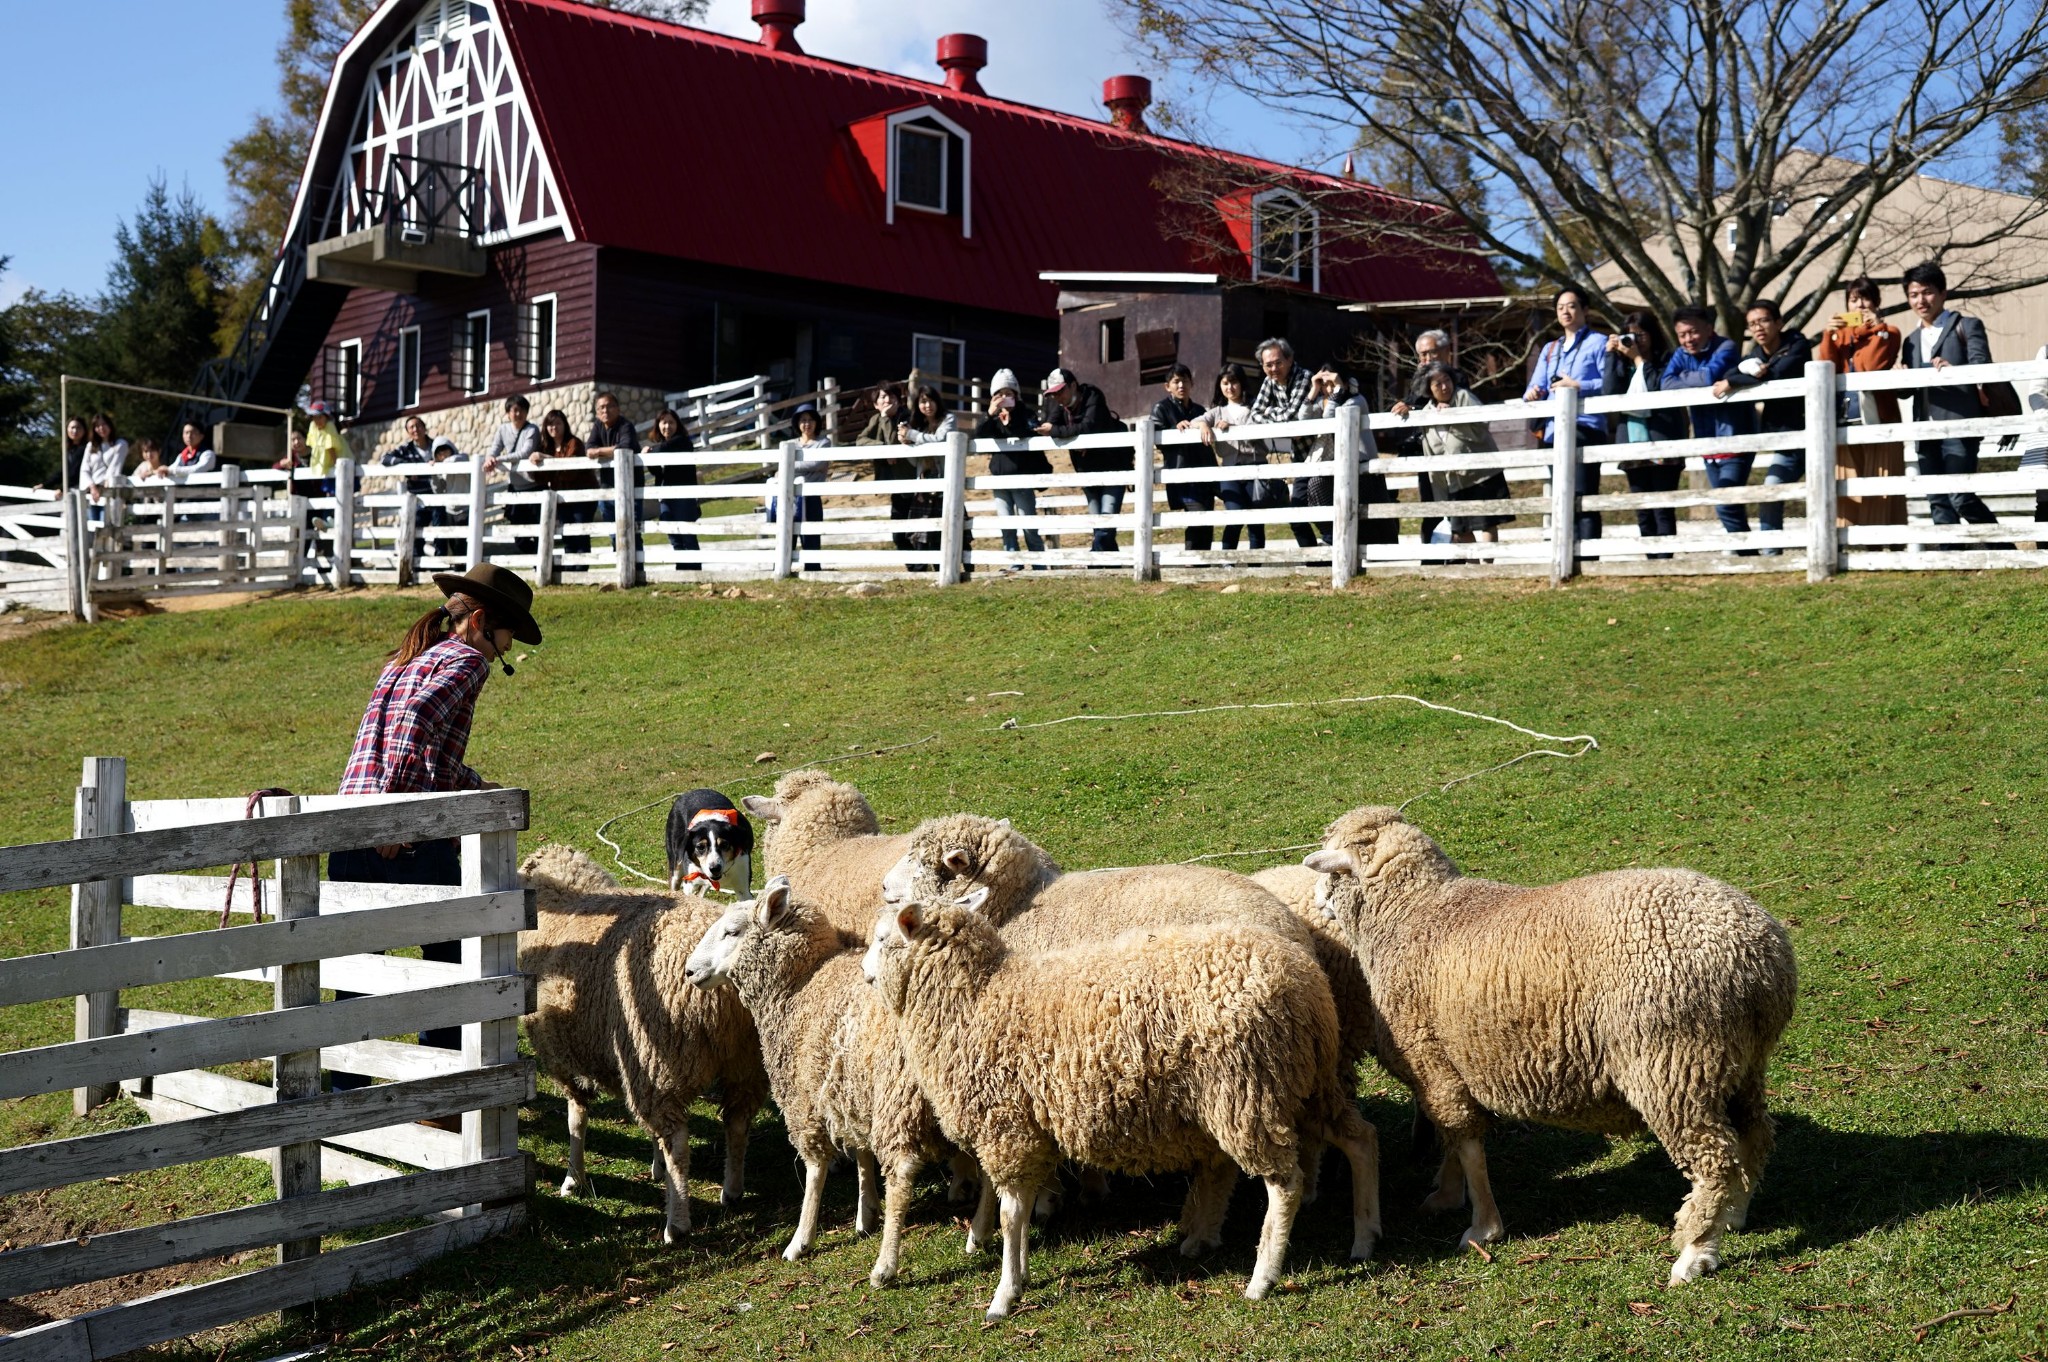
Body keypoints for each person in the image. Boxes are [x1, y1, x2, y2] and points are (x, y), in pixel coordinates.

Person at [330, 563, 541, 1082]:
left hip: (348, 830)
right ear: (483, 620)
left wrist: (476, 785)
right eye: (509, 633)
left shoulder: (408, 660)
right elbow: (417, 724)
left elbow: (422, 752)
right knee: (457, 955)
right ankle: (441, 1090)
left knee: (358, 970)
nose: (508, 647)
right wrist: (395, 820)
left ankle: (345, 1089)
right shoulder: (467, 660)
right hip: (402, 838)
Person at [1900, 260, 2002, 540]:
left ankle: (2002, 548)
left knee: (1960, 496)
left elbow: (1983, 367)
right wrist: (1900, 376)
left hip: (1960, 425)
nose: (1921, 300)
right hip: (1924, 429)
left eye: (1928, 292)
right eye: (1914, 294)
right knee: (1938, 500)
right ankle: (1950, 559)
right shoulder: (1909, 340)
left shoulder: (1967, 326)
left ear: (1943, 293)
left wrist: (1953, 372)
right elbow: (1905, 392)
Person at [1714, 299, 1814, 553]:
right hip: (1783, 436)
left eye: (1763, 321)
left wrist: (1736, 380)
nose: (1758, 328)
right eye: (1752, 324)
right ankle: (1771, 551)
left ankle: (1774, 548)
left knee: (1779, 487)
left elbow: (1777, 373)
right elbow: (1730, 373)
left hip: (1811, 431)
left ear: (1778, 323)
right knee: (1772, 488)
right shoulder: (1758, 354)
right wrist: (1736, 380)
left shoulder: (1798, 345)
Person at [1814, 276, 1905, 526]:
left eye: (1865, 299)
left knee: (1882, 484)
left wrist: (1878, 330)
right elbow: (1825, 368)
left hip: (1878, 417)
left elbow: (1871, 365)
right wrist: (1828, 336)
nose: (1860, 306)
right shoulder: (1839, 336)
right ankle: (1848, 541)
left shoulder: (1890, 332)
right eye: (1853, 300)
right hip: (1844, 417)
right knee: (1846, 482)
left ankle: (1883, 544)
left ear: (1876, 303)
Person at [1524, 286, 1609, 544]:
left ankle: (1588, 557)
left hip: (1586, 427)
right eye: (1560, 308)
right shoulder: (1550, 348)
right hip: (1553, 431)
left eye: (1571, 306)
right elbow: (1532, 387)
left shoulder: (1599, 342)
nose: (1565, 312)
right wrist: (1532, 393)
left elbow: (1609, 384)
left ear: (1585, 310)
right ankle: (1565, 553)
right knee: (1561, 495)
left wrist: (1578, 385)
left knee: (1583, 494)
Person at [1662, 305, 1753, 546]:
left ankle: (1749, 553)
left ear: (1708, 328)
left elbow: (1711, 375)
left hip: (1734, 436)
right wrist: (1698, 379)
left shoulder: (1726, 347)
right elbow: (1666, 383)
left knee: (1725, 501)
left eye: (1692, 332)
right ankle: (1747, 551)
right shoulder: (1681, 354)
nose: (1687, 340)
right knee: (1726, 502)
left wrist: (1688, 378)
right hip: (1706, 438)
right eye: (1682, 335)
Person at [1602, 313, 1689, 557]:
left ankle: (1666, 559)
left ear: (1653, 335)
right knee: (1641, 507)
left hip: (1663, 439)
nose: (1635, 340)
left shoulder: (1668, 359)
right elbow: (1608, 392)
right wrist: (1611, 355)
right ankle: (1651, 558)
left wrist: (1639, 359)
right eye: (1630, 335)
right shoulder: (1621, 364)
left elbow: (1655, 389)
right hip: (1631, 440)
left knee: (1662, 505)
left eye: (1640, 334)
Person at [1416, 362, 1507, 551]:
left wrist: (1453, 416)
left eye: (1447, 380)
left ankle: (1488, 566)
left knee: (1486, 522)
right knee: (1460, 527)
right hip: (1452, 479)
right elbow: (1429, 449)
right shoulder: (1426, 414)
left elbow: (1481, 425)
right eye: (1437, 384)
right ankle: (1473, 566)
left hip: (1480, 473)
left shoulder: (1463, 396)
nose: (1444, 387)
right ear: (1429, 390)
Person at [1036, 367, 1125, 552]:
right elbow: (1050, 425)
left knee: (1106, 521)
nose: (1057, 396)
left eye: (1060, 391)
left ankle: (1095, 558)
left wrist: (1056, 432)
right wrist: (1056, 431)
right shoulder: (1060, 406)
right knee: (1098, 522)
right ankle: (1109, 563)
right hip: (1086, 471)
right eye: (1053, 393)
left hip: (1113, 467)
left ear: (1073, 386)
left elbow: (1088, 427)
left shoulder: (1093, 396)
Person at [1245, 339, 1316, 549]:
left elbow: (1293, 415)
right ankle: (1314, 560)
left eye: (1278, 362)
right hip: (1300, 454)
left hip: (1321, 451)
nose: (1274, 368)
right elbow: (1254, 414)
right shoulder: (1270, 382)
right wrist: (1276, 415)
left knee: (1320, 504)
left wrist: (1270, 412)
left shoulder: (1304, 377)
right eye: (1268, 365)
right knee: (1296, 511)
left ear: (1289, 359)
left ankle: (1328, 552)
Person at [974, 368, 1047, 558]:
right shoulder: (992, 418)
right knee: (1006, 526)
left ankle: (1038, 563)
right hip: (999, 479)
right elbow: (979, 433)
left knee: (1028, 525)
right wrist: (990, 414)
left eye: (1009, 393)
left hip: (1022, 478)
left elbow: (1031, 431)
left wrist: (1011, 420)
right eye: (1000, 394)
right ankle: (1013, 563)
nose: (1005, 397)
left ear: (1016, 394)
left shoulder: (1026, 413)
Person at [1389, 330, 1452, 542]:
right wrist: (1404, 406)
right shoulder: (1420, 378)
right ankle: (1430, 557)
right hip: (1427, 450)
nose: (1425, 359)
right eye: (1422, 355)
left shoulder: (1456, 377)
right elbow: (1413, 401)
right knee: (1430, 503)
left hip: (1451, 452)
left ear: (1445, 352)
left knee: (1454, 506)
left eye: (1430, 353)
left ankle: (1456, 556)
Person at [1198, 364, 1260, 550]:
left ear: (1241, 383)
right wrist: (1203, 425)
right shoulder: (1217, 411)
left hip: (1254, 468)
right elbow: (1197, 420)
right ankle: (1227, 559)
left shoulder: (1255, 406)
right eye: (1225, 383)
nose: (1230, 388)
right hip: (1229, 472)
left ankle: (1256, 562)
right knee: (1234, 515)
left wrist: (1232, 426)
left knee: (1256, 520)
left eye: (1234, 382)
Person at [1153, 364, 1213, 552]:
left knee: (1207, 518)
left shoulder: (1199, 409)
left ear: (1192, 383)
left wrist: (1203, 423)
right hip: (1180, 474)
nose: (1181, 385)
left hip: (1204, 472)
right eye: (1176, 381)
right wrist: (1174, 430)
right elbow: (1156, 436)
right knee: (1197, 515)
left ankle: (1203, 561)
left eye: (1185, 381)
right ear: (1167, 386)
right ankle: (1192, 559)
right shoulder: (1161, 408)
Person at [896, 385, 953, 569]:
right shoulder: (919, 425)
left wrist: (912, 435)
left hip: (945, 484)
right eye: (922, 401)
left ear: (937, 401)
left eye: (930, 400)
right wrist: (906, 444)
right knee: (921, 533)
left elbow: (940, 440)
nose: (927, 405)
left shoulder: (948, 419)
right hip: (924, 484)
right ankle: (923, 573)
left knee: (946, 532)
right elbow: (915, 461)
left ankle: (946, 569)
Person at [483, 395, 543, 557]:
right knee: (518, 533)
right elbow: (494, 448)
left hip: (534, 486)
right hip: (515, 488)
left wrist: (498, 460)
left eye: (522, 410)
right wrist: (490, 458)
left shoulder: (532, 430)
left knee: (538, 529)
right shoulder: (503, 429)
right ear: (508, 413)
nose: (518, 414)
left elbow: (525, 452)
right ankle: (532, 557)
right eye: (514, 410)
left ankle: (541, 565)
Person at [771, 403, 830, 565]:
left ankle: (813, 571)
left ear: (817, 422)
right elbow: (808, 465)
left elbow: (817, 464)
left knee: (811, 538)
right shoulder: (790, 444)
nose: (807, 424)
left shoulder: (823, 443)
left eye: (811, 420)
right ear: (797, 423)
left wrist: (787, 466)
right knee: (786, 534)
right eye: (803, 420)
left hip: (810, 498)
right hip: (789, 497)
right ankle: (782, 569)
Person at [532, 408, 594, 555]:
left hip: (582, 498)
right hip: (562, 499)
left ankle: (581, 571)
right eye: (550, 424)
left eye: (558, 423)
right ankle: (571, 572)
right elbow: (539, 477)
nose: (554, 428)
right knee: (567, 536)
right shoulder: (546, 447)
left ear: (565, 424)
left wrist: (546, 459)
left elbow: (570, 470)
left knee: (580, 533)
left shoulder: (574, 443)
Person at [645, 408, 698, 557]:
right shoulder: (661, 446)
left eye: (671, 422)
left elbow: (663, 449)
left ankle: (694, 570)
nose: (667, 426)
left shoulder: (683, 441)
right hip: (665, 496)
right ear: (658, 425)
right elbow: (656, 472)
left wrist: (649, 452)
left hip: (683, 496)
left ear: (677, 425)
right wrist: (650, 458)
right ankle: (682, 569)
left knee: (687, 534)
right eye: (664, 422)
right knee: (672, 534)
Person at [584, 391, 638, 531]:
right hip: (607, 487)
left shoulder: (626, 426)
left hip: (630, 487)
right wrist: (608, 450)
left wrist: (599, 451)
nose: (605, 410)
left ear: (618, 409)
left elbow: (624, 448)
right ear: (597, 412)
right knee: (613, 533)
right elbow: (589, 448)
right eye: (601, 407)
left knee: (632, 533)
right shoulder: (598, 425)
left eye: (609, 406)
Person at [79, 413, 129, 515]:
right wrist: (92, 487)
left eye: (104, 424)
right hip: (92, 492)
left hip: (109, 490)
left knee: (106, 523)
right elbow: (85, 469)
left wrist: (105, 484)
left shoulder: (120, 444)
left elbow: (115, 467)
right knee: (91, 526)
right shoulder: (91, 446)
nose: (101, 428)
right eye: (97, 426)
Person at [305, 401, 346, 498]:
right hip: (327, 467)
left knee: (340, 494)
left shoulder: (329, 426)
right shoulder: (313, 427)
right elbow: (313, 445)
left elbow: (330, 448)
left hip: (337, 463)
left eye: (320, 417)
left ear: (326, 417)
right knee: (330, 495)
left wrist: (337, 466)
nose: (317, 420)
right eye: (314, 417)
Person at [61, 416, 89, 493]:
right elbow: (63, 470)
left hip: (83, 490)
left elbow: (75, 471)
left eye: (78, 428)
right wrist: (45, 484)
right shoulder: (69, 449)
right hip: (71, 490)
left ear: (84, 430)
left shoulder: (87, 448)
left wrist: (62, 489)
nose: (75, 431)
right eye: (72, 427)